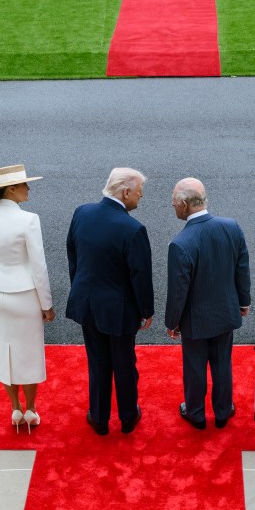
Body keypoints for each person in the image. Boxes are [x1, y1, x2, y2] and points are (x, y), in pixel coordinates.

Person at [65, 167, 155, 436]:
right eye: (139, 193)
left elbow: (73, 256)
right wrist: (146, 311)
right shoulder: (133, 228)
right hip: (120, 311)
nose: (140, 198)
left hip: (88, 304)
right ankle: (128, 417)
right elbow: (140, 276)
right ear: (125, 193)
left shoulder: (82, 212)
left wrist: (82, 289)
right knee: (125, 363)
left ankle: (100, 417)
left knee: (98, 362)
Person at [164, 178, 250, 430]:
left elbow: (178, 291)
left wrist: (172, 322)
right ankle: (223, 411)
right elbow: (241, 268)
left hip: (195, 320)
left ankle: (196, 413)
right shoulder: (231, 227)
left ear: (183, 204)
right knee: (223, 362)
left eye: (173, 202)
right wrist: (243, 301)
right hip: (225, 312)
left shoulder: (180, 243)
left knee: (194, 367)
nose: (172, 205)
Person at [0, 165, 55, 431]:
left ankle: (14, 409)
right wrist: (47, 304)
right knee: (29, 353)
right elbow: (38, 266)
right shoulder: (29, 219)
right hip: (24, 294)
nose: (28, 189)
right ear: (11, 189)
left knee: (4, 351)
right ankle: (31, 409)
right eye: (24, 185)